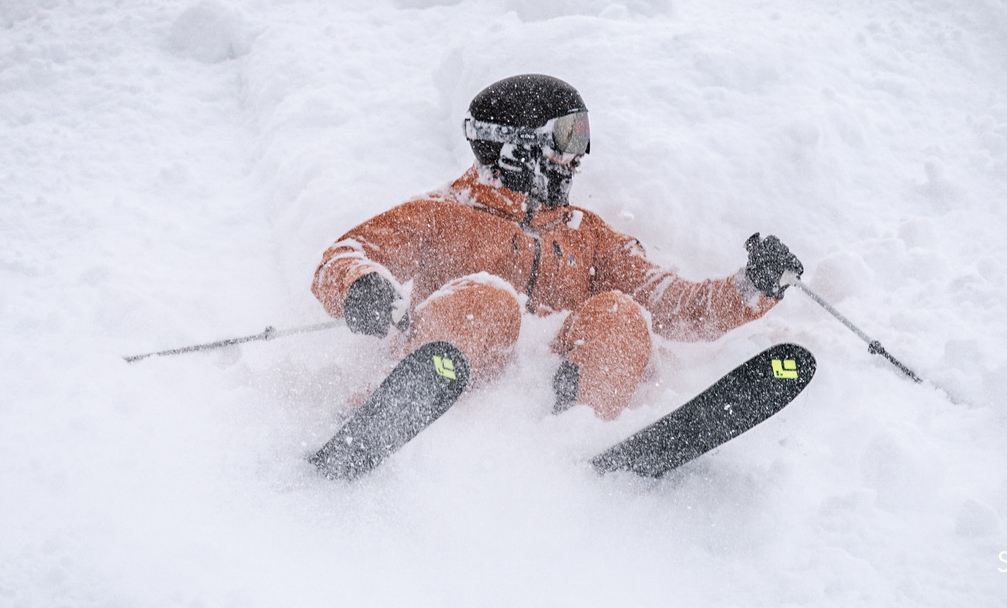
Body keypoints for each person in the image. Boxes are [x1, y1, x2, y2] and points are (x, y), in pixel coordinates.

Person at [312, 74, 802, 420]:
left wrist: (750, 287)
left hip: (549, 406)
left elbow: (675, 306)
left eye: (582, 136)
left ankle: (584, 440)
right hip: (458, 389)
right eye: (567, 136)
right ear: (516, 145)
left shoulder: (586, 234)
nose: (578, 156)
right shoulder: (443, 214)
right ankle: (395, 414)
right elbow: (344, 255)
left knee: (620, 313)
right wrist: (360, 287)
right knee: (487, 299)